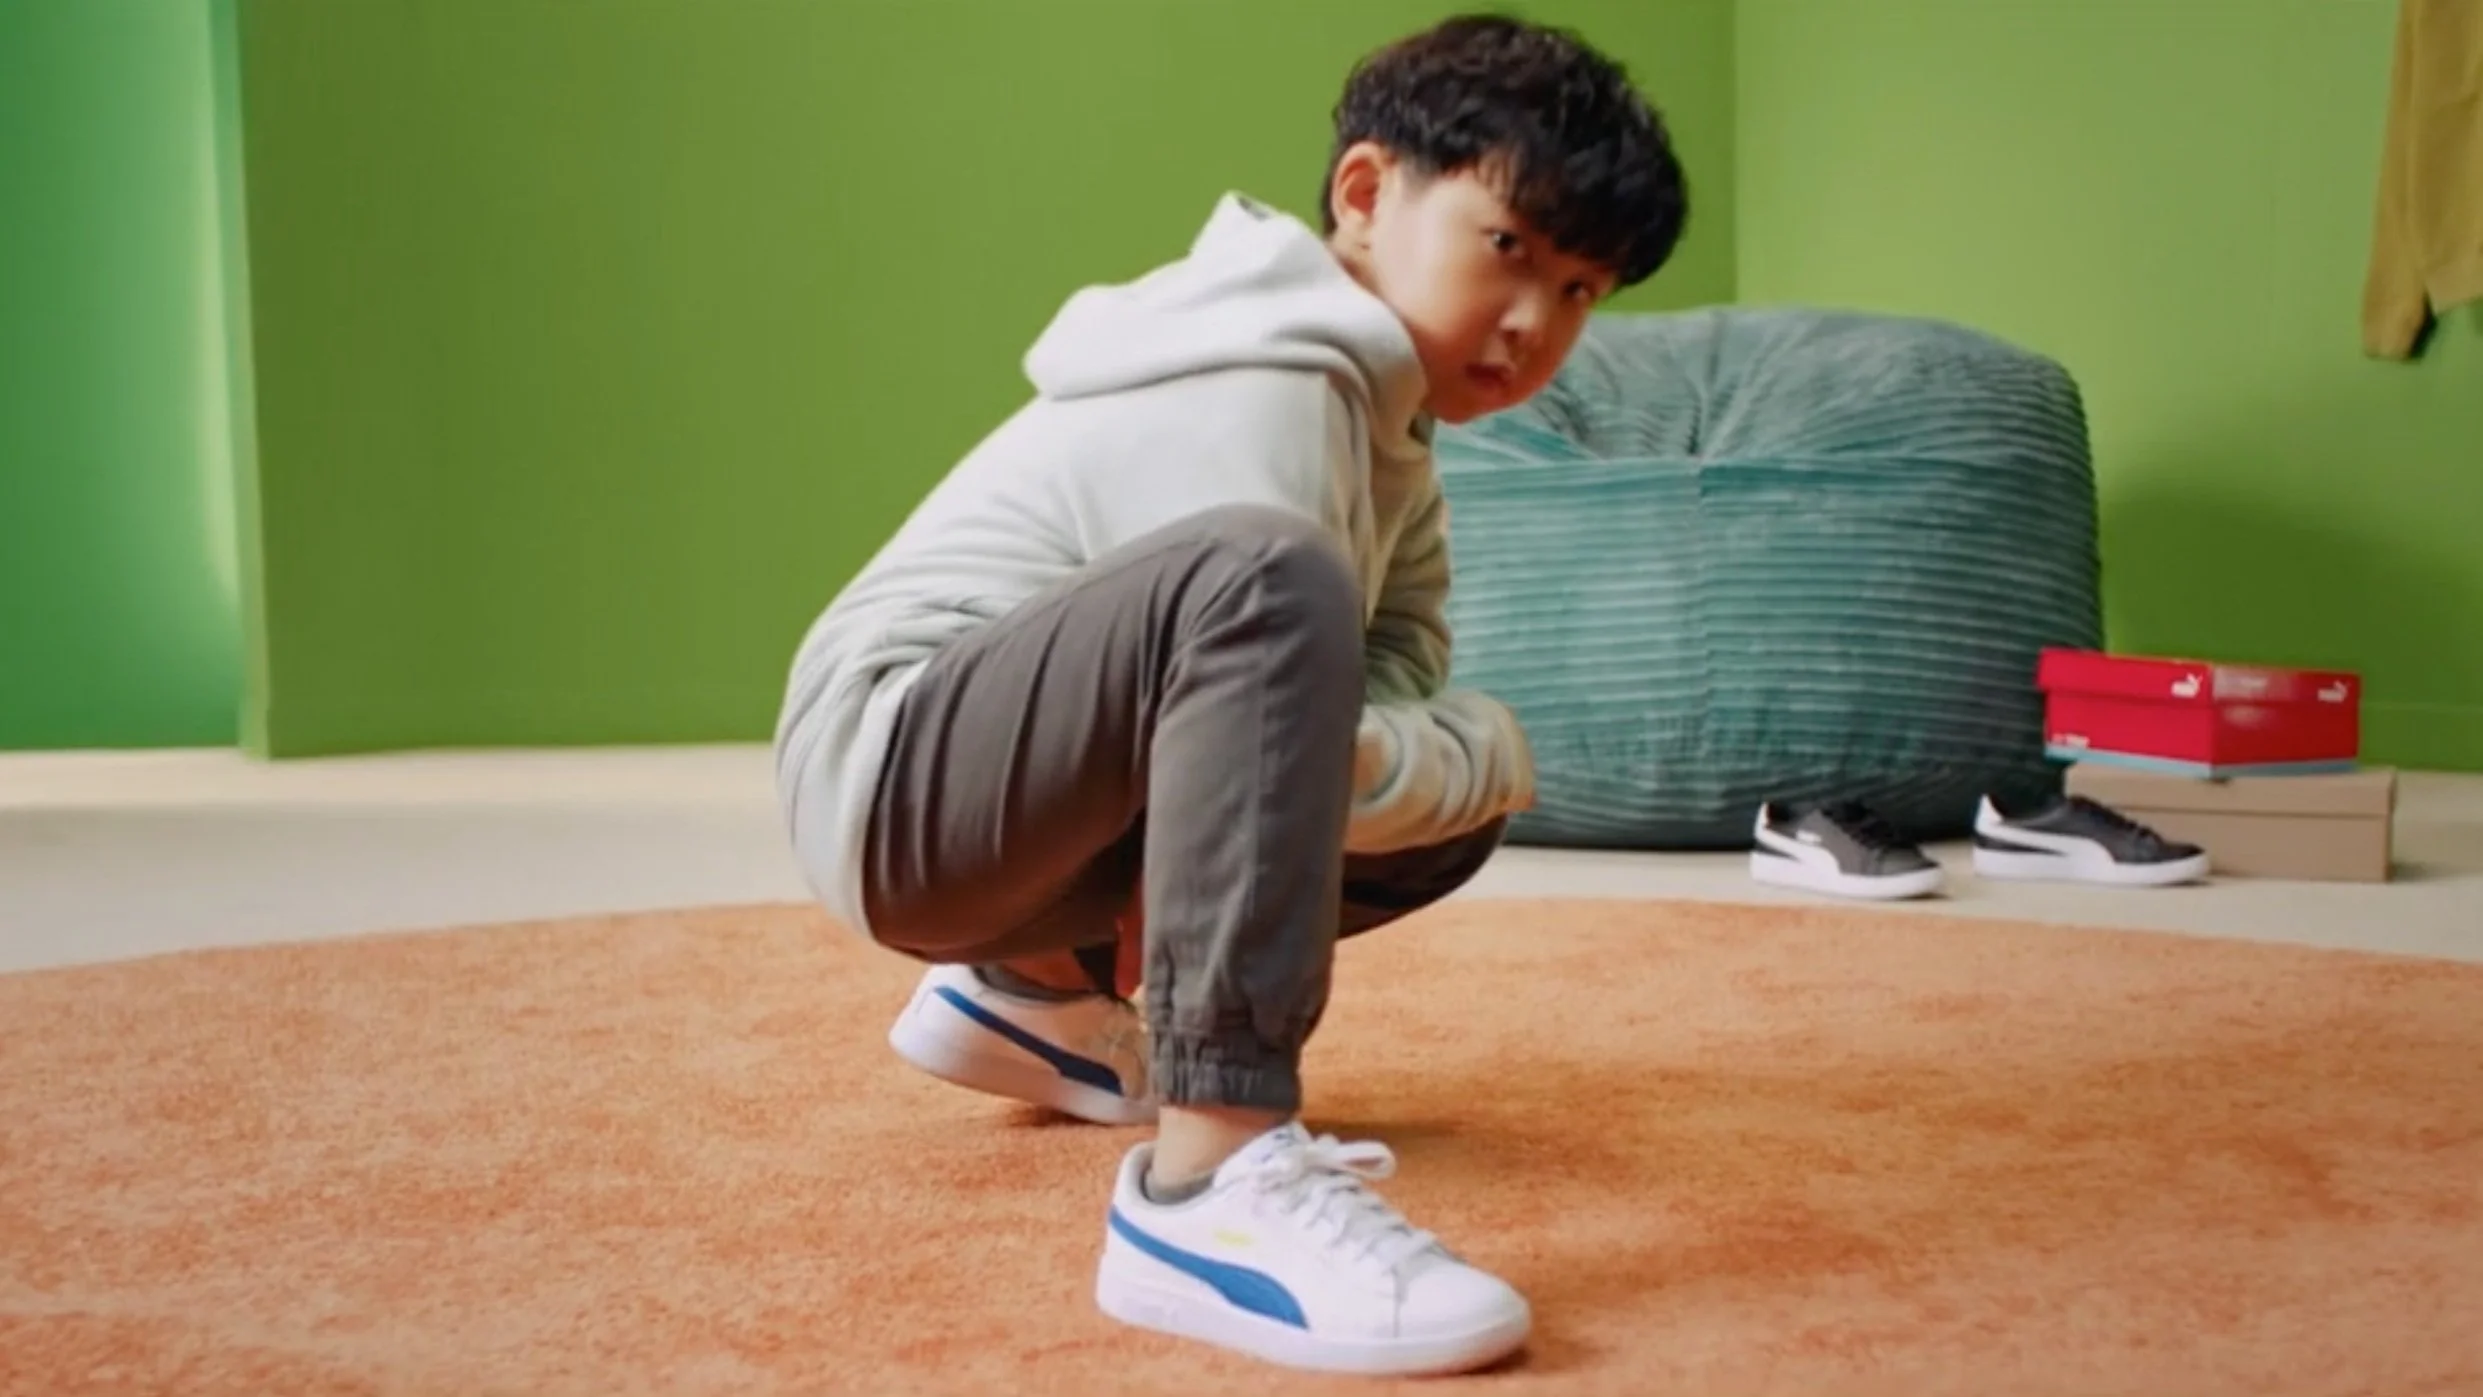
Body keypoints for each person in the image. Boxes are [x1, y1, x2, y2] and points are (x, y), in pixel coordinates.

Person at [773, 13, 1686, 1377]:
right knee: (1271, 582)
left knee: (1432, 809)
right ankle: (1206, 1185)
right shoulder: (1266, 376)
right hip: (898, 776)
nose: (1533, 324)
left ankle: (1030, 1000)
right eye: (1508, 249)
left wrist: (1466, 755)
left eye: (1580, 291)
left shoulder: (1393, 431)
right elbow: (1275, 699)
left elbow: (1381, 687)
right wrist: (1477, 744)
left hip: (995, 818)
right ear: (1365, 193)